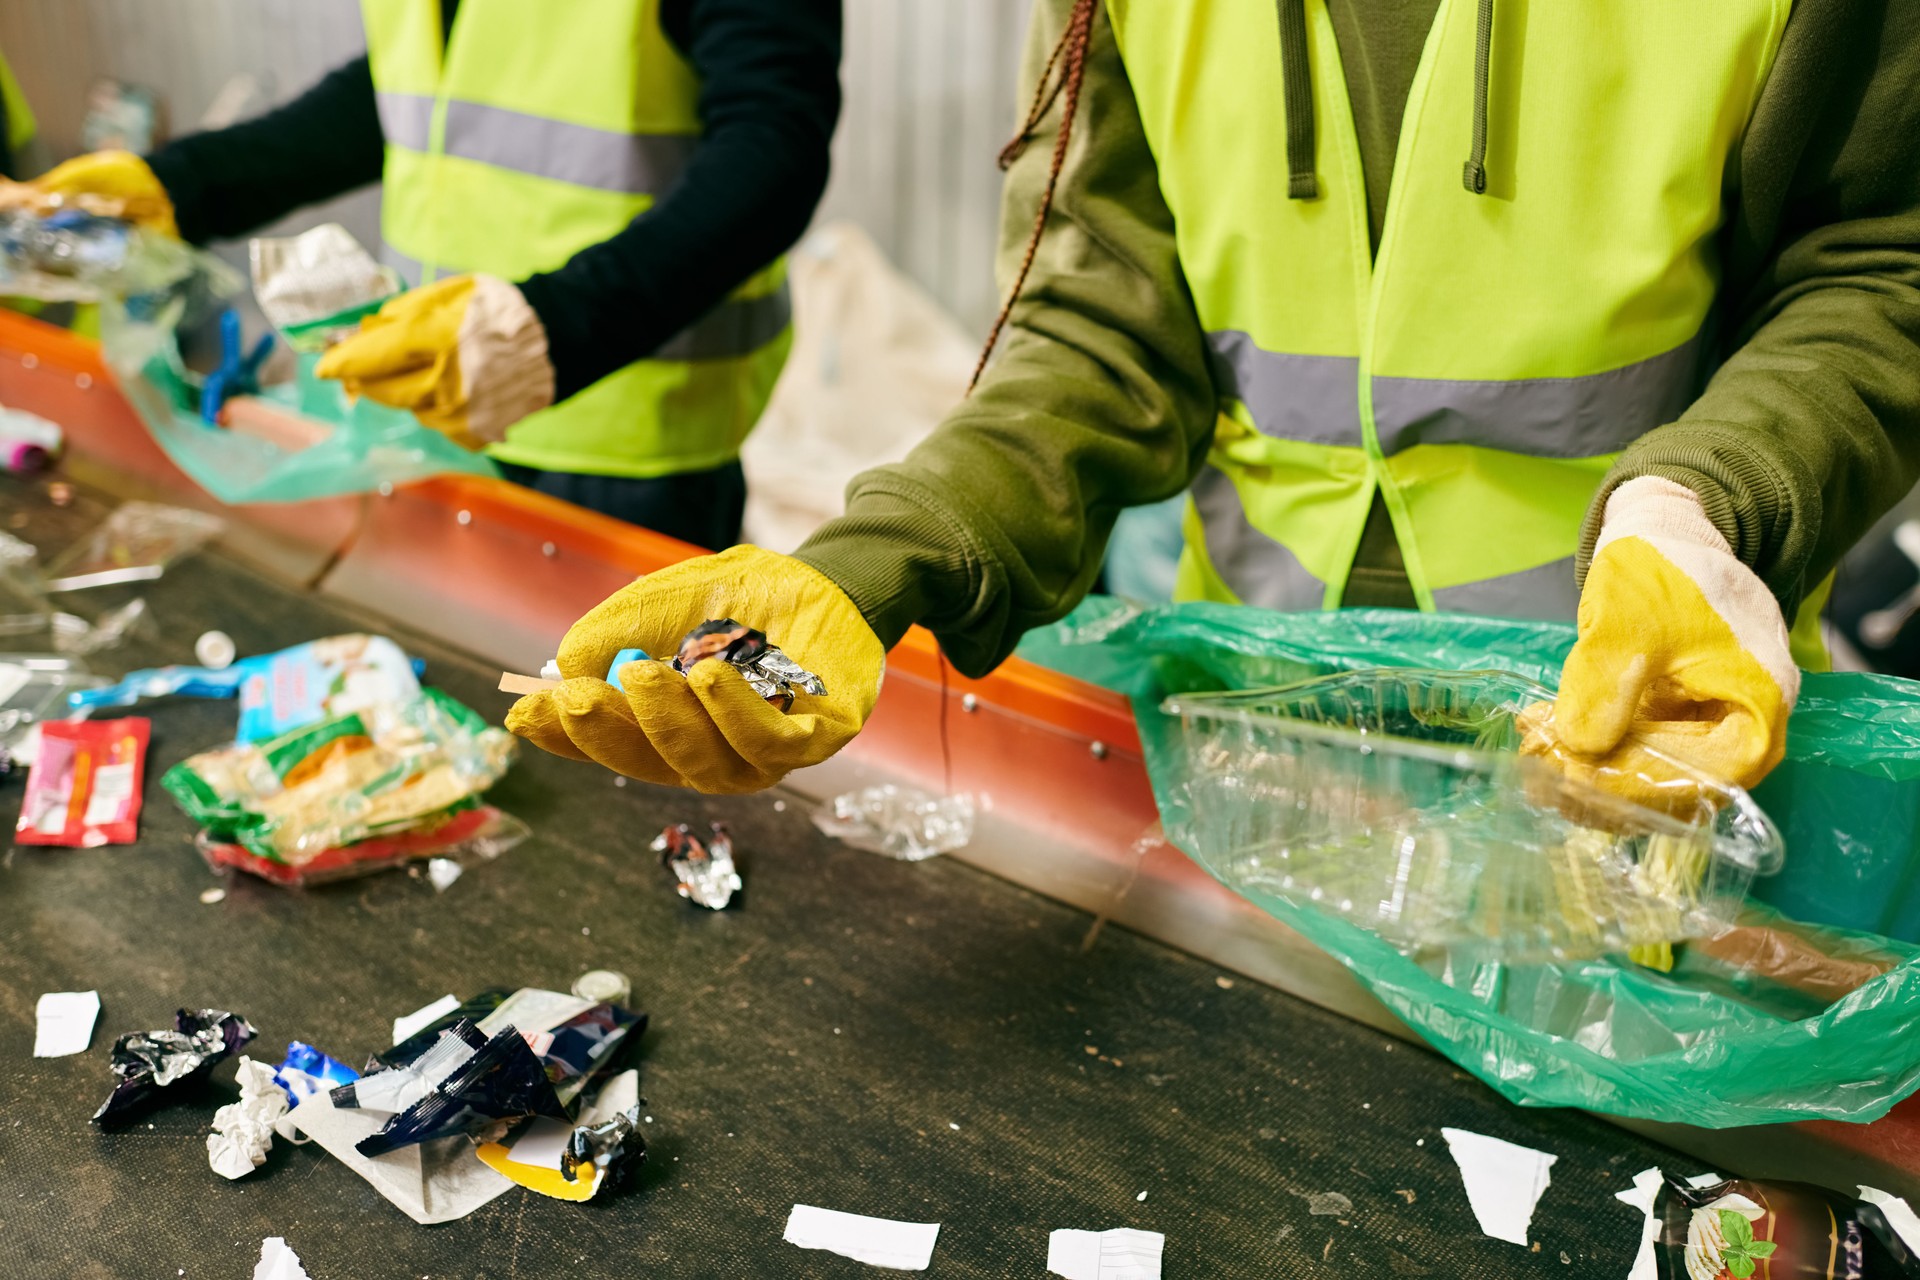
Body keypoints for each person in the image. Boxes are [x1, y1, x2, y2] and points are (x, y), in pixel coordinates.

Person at [507, 0, 1920, 800]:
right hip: (1262, 748)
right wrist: (878, 563)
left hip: (1638, 754)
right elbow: (1106, 323)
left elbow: (1877, 263)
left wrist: (1707, 499)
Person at [25, 0, 839, 549]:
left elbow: (774, 145)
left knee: (627, 738)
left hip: (625, 440)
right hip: (433, 398)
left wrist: (551, 328)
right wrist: (185, 186)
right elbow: (413, 88)